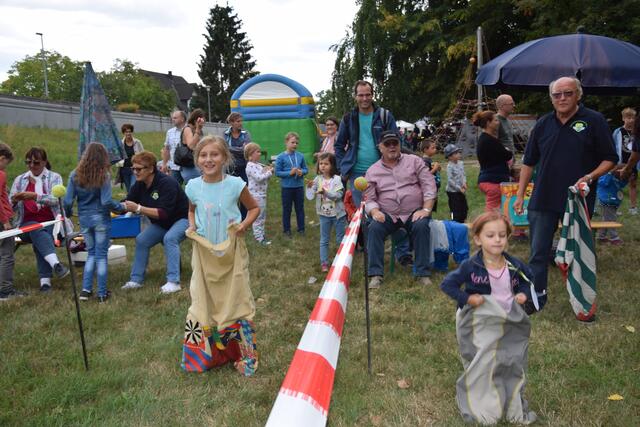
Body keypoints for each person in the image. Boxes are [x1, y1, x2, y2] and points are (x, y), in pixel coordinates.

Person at [514, 77, 617, 310]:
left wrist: (590, 176)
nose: (562, 98)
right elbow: (529, 162)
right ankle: (536, 297)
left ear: (578, 95)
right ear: (551, 98)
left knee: (577, 253)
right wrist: (520, 195)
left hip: (578, 199)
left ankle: (580, 300)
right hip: (543, 198)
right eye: (556, 95)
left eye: (567, 93)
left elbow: (610, 159)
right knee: (538, 252)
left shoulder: (594, 120)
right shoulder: (543, 123)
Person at [440, 211, 537, 425]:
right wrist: (467, 298)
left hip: (507, 321)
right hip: (480, 322)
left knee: (510, 359)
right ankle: (482, 405)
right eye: (491, 235)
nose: (497, 240)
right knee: (484, 361)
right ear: (478, 239)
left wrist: (523, 294)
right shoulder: (471, 266)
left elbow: (528, 280)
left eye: (502, 235)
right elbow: (448, 284)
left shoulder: (514, 265)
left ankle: (508, 399)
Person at [182, 135, 259, 376]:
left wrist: (244, 225)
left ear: (224, 157)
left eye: (214, 154)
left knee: (237, 298)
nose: (208, 159)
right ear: (197, 159)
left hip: (232, 253)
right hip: (204, 254)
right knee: (203, 300)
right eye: (203, 155)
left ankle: (244, 356)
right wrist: (192, 225)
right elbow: (192, 209)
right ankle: (207, 355)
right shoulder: (193, 186)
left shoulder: (236, 184)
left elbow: (254, 208)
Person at [364, 131, 436, 289]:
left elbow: (429, 185)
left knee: (422, 225)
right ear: (380, 147)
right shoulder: (372, 170)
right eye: (387, 144)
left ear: (399, 145)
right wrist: (375, 212)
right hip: (387, 214)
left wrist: (426, 209)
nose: (391, 147)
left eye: (394, 143)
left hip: (414, 211)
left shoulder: (415, 161)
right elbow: (369, 198)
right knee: (374, 228)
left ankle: (422, 273)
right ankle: (375, 274)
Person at [121, 151, 189, 294]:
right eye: (133, 169)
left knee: (170, 238)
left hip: (183, 219)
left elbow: (164, 213)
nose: (135, 172)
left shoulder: (167, 183)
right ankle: (136, 280)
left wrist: (138, 208)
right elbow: (128, 202)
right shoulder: (140, 184)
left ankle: (173, 281)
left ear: (151, 169)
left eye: (139, 169)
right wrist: (112, 207)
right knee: (141, 240)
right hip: (163, 222)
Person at [64, 143, 124, 303]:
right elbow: (106, 201)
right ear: (103, 157)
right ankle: (102, 293)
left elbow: (68, 201)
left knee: (91, 253)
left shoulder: (74, 174)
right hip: (101, 219)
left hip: (84, 219)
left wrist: (69, 213)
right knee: (101, 255)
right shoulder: (103, 175)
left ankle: (85, 290)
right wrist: (121, 207)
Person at [10, 147, 69, 292]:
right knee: (36, 229)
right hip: (24, 224)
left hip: (52, 223)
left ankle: (45, 283)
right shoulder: (19, 180)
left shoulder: (55, 177)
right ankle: (55, 265)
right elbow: (9, 206)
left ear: (44, 162)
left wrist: (35, 197)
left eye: (36, 162)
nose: (31, 165)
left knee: (40, 235)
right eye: (28, 162)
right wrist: (15, 200)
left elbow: (56, 201)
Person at [334, 80, 398, 205]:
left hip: (383, 170)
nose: (365, 98)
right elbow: (339, 145)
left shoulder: (384, 115)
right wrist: (343, 167)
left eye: (368, 95)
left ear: (372, 95)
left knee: (385, 208)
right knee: (362, 212)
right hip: (357, 173)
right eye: (361, 95)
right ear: (355, 96)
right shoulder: (348, 118)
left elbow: (397, 142)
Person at [307, 152, 346, 272]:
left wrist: (325, 192)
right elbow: (310, 197)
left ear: (332, 165)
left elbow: (339, 195)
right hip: (324, 215)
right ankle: (324, 263)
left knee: (340, 239)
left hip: (338, 215)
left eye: (326, 164)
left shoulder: (337, 179)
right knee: (324, 239)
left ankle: (342, 262)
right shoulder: (317, 179)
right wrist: (309, 188)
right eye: (321, 163)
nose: (323, 166)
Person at [474, 110, 513, 211]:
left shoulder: (486, 139)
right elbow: (507, 155)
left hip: (490, 179)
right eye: (495, 120)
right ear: (488, 123)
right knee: (493, 212)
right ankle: (489, 226)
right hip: (492, 181)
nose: (498, 122)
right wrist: (507, 151)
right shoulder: (489, 140)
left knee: (498, 210)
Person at [275, 132, 308, 237]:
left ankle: (301, 229)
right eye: (292, 142)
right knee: (287, 209)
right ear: (286, 142)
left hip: (298, 186)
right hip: (287, 188)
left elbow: (306, 169)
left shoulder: (300, 156)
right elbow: (277, 172)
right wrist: (290, 173)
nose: (295, 145)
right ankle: (286, 229)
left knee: (300, 208)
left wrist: (301, 172)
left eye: (296, 143)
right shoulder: (280, 157)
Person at [0, 143, 20, 301]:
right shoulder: (1, 174)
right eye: (7, 163)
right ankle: (6, 289)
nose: (6, 166)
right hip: (3, 220)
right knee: (7, 255)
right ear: (2, 158)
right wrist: (5, 220)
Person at [224, 112, 252, 219]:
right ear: (231, 122)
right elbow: (224, 148)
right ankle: (233, 218)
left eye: (241, 121)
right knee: (231, 195)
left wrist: (231, 149)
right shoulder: (225, 134)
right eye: (238, 121)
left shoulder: (246, 134)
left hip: (244, 168)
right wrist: (240, 149)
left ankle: (244, 218)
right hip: (229, 168)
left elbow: (247, 149)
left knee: (244, 193)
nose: (241, 123)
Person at [245, 142, 273, 245]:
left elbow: (264, 176)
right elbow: (259, 178)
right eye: (257, 152)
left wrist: (268, 170)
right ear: (250, 155)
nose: (260, 154)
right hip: (256, 196)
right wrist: (269, 172)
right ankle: (259, 238)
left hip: (262, 194)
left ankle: (260, 234)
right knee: (258, 217)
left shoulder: (257, 165)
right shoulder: (250, 165)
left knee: (262, 216)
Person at [613, 108, 637, 214]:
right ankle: (615, 207)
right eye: (628, 117)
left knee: (633, 184)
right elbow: (613, 146)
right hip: (620, 163)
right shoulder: (618, 132)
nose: (631, 120)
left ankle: (633, 207)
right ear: (623, 118)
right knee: (617, 184)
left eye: (633, 118)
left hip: (633, 162)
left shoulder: (637, 132)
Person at [596, 168, 626, 245]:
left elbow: (622, 185)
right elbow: (603, 183)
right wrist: (610, 173)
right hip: (607, 201)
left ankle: (601, 237)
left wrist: (627, 179)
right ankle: (614, 238)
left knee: (606, 219)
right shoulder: (606, 176)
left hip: (613, 202)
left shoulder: (616, 179)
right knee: (611, 219)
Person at [180, 108, 205, 184]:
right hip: (189, 165)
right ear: (196, 120)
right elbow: (191, 145)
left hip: (197, 164)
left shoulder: (197, 130)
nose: (203, 123)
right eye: (202, 120)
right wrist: (198, 130)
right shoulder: (188, 129)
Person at [161, 110, 187, 185]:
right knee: (174, 189)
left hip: (187, 166)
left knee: (190, 189)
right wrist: (164, 164)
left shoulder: (189, 130)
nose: (173, 120)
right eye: (172, 118)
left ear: (182, 119)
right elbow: (167, 149)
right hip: (174, 167)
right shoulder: (170, 132)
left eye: (175, 118)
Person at [444, 144, 468, 223]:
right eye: (456, 153)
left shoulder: (461, 163)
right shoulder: (449, 167)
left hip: (461, 190)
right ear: (450, 157)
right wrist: (459, 188)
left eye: (458, 152)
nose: (459, 154)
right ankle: (453, 220)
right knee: (455, 209)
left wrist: (464, 182)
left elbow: (463, 174)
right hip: (453, 192)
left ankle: (462, 220)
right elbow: (450, 181)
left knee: (464, 207)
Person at [119, 124, 144, 192]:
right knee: (128, 189)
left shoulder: (137, 142)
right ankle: (132, 201)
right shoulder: (120, 143)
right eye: (126, 132)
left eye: (130, 131)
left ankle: (134, 200)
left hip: (135, 168)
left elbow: (143, 154)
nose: (128, 133)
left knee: (133, 187)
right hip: (124, 169)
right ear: (123, 133)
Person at [419, 139, 441, 212]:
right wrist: (435, 169)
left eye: (435, 148)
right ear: (425, 149)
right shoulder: (424, 161)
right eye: (433, 148)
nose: (435, 150)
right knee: (429, 207)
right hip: (429, 189)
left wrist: (438, 168)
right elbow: (425, 175)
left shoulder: (429, 160)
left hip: (434, 188)